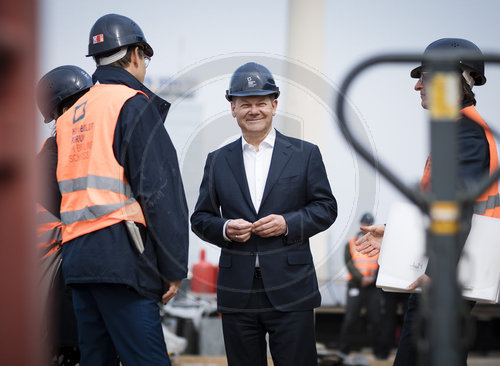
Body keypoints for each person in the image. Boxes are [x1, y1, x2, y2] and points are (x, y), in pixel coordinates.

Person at [355, 38, 499, 366]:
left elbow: (459, 209)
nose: (418, 85)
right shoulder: (457, 129)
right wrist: (393, 236)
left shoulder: (465, 132)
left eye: (427, 77)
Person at [55, 14, 189, 366]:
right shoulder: (131, 103)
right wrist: (174, 266)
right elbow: (160, 191)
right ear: (134, 54)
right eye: (145, 56)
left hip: (79, 262)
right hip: (123, 258)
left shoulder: (71, 116)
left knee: (95, 359)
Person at [190, 62, 338, 366]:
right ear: (233, 108)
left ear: (274, 105)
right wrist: (225, 227)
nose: (253, 110)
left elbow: (326, 209)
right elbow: (201, 218)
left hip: (291, 287)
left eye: (261, 103)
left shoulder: (304, 154)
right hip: (237, 292)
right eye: (245, 104)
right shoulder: (217, 161)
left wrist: (287, 223)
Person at [36, 65, 93, 366]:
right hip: (60, 270)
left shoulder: (96, 148)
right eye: (76, 105)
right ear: (59, 113)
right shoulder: (51, 157)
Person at [339, 212, 384, 362]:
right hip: (356, 285)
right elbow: (349, 263)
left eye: (369, 224)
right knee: (350, 319)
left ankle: (378, 353)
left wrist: (372, 278)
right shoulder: (351, 243)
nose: (366, 226)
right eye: (365, 224)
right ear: (361, 224)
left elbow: (381, 263)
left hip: (372, 287)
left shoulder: (379, 243)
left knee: (376, 320)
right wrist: (361, 278)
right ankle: (344, 351)